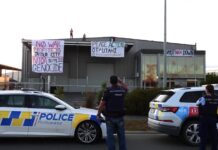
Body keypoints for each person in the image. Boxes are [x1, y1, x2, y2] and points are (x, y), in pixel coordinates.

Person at [97, 75, 128, 150]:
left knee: (110, 137)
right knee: (121, 136)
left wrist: (98, 113)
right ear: (117, 81)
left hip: (110, 117)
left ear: (110, 82)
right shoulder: (122, 90)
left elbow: (102, 104)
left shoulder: (108, 91)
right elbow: (126, 88)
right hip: (120, 117)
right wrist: (121, 82)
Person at [196, 84, 218, 150]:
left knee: (203, 136)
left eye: (205, 89)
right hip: (213, 119)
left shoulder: (203, 98)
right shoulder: (217, 98)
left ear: (207, 90)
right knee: (214, 136)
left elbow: (197, 103)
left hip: (204, 119)